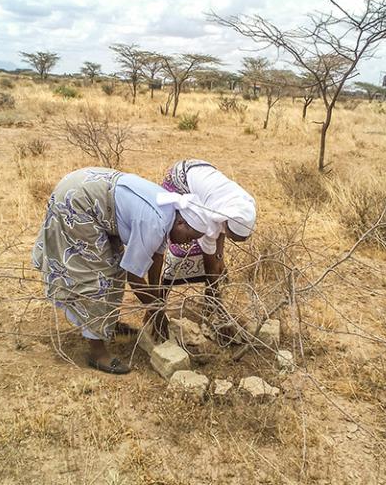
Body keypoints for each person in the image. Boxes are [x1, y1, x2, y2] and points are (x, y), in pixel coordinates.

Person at [32, 167, 212, 374]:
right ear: (181, 222)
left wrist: (157, 301)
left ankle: (105, 325)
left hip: (90, 192)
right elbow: (134, 276)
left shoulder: (169, 211)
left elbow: (156, 257)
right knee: (97, 278)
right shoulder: (155, 222)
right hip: (78, 202)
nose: (188, 243)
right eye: (190, 237)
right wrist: (155, 311)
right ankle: (97, 353)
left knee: (114, 267)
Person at [161, 159, 256, 306]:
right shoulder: (212, 214)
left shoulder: (242, 204)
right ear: (224, 221)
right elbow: (209, 253)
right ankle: (159, 300)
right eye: (230, 235)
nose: (228, 236)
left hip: (200, 171)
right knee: (183, 249)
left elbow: (220, 231)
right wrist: (213, 291)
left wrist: (219, 257)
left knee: (213, 254)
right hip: (179, 182)